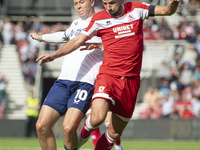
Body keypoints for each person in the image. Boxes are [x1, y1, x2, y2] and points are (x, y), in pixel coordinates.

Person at [36, 0, 180, 149]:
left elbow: (166, 11)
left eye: (111, 3)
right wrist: (54, 55)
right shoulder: (99, 18)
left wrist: (173, 5)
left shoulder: (136, 9)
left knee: (114, 134)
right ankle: (83, 136)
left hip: (131, 81)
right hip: (109, 75)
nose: (108, 7)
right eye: (104, 3)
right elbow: (77, 40)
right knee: (97, 117)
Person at [31, 0, 104, 149]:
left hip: (85, 82)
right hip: (63, 81)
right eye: (75, 3)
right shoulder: (76, 23)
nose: (78, 6)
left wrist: (54, 55)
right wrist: (42, 37)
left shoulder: (103, 20)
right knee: (41, 126)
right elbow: (64, 36)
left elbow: (117, 41)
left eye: (81, 2)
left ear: (91, 2)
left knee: (68, 127)